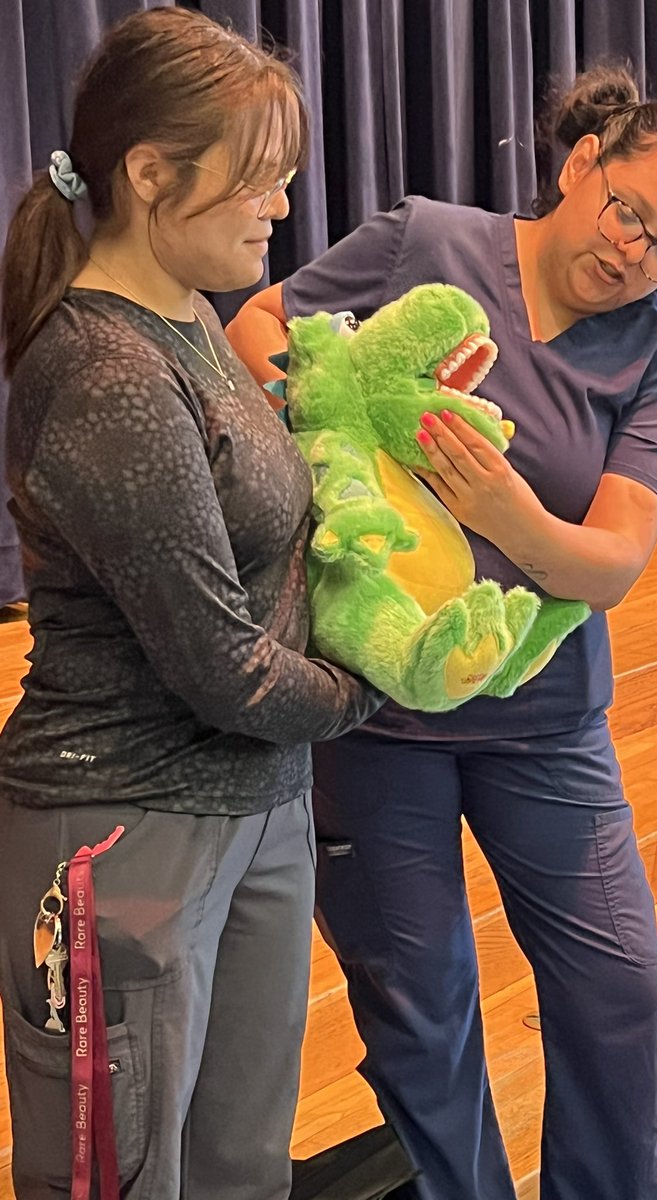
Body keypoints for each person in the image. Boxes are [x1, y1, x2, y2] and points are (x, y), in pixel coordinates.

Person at [228, 64, 657, 1200]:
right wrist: (325, 441)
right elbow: (261, 321)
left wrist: (500, 509)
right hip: (373, 722)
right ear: (581, 167)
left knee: (620, 991)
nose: (635, 254)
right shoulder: (426, 241)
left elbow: (610, 561)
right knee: (420, 1015)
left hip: (545, 725)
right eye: (630, 212)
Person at [0, 8, 384, 1199]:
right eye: (258, 182)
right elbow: (224, 666)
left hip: (256, 798)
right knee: (119, 1180)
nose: (280, 206)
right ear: (151, 175)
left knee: (237, 1168)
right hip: (126, 830)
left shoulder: (192, 319)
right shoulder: (110, 375)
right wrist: (394, 672)